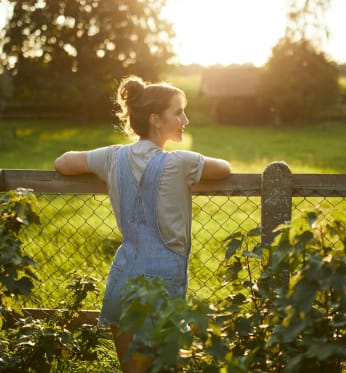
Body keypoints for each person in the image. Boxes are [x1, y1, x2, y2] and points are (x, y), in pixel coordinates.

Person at [54, 75, 231, 372]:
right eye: (178, 112)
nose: (185, 119)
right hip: (162, 289)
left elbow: (64, 161)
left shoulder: (112, 157)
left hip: (122, 280)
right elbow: (224, 168)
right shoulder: (180, 163)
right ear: (155, 120)